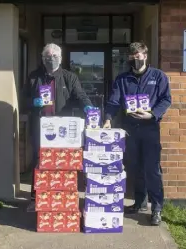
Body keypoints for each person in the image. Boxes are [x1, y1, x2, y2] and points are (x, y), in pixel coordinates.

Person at [103, 42, 171, 226]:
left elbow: (166, 99)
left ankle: (157, 208)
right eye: (132, 56)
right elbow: (114, 101)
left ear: (145, 55)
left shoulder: (158, 76)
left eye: (138, 55)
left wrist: (153, 114)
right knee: (135, 167)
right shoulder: (123, 79)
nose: (135, 58)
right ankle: (140, 203)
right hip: (130, 129)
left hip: (149, 128)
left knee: (152, 170)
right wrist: (108, 118)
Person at [22, 43, 95, 212]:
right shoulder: (34, 77)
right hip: (40, 125)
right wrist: (33, 102)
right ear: (43, 58)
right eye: (48, 56)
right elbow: (23, 99)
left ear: (61, 58)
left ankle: (62, 195)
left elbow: (80, 95)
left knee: (63, 161)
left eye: (55, 56)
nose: (51, 59)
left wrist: (88, 107)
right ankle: (35, 197)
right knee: (39, 160)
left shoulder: (69, 77)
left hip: (62, 127)